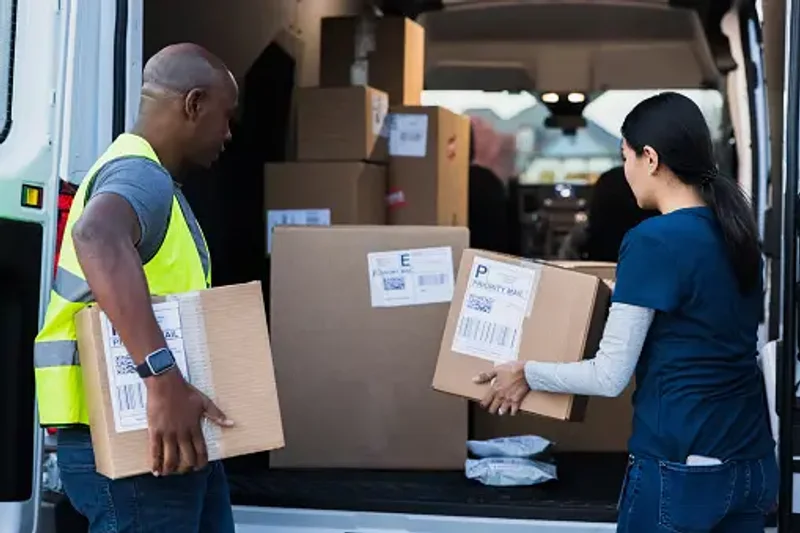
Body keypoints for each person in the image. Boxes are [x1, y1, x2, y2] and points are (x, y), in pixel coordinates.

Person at [474, 92, 777, 532]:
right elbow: (702, 314)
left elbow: (609, 374)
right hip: (751, 465)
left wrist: (526, 373)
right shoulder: (737, 232)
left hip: (680, 469)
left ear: (650, 158)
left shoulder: (653, 239)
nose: (625, 172)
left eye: (625, 158)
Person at [34, 43, 238, 532]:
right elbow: (95, 235)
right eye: (225, 116)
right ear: (192, 104)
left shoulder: (148, 176)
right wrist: (162, 379)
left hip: (171, 440)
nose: (229, 134)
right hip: (139, 446)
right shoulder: (140, 175)